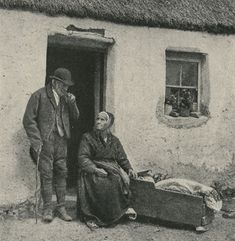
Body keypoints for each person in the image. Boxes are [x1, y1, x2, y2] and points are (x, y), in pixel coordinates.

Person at [23, 68, 79, 222]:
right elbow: (28, 120)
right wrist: (36, 141)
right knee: (47, 174)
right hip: (45, 142)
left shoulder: (66, 98)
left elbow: (75, 118)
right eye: (64, 85)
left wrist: (73, 104)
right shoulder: (39, 95)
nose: (66, 89)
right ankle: (48, 208)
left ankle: (61, 207)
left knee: (62, 172)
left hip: (62, 141)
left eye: (68, 86)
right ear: (54, 82)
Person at [77, 111, 137, 229]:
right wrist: (94, 169)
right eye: (98, 119)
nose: (98, 121)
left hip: (111, 169)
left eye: (103, 119)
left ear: (109, 123)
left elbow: (122, 157)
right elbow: (82, 157)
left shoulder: (114, 140)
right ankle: (93, 216)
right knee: (101, 182)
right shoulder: (87, 137)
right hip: (92, 170)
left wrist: (129, 168)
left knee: (116, 179)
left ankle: (115, 214)